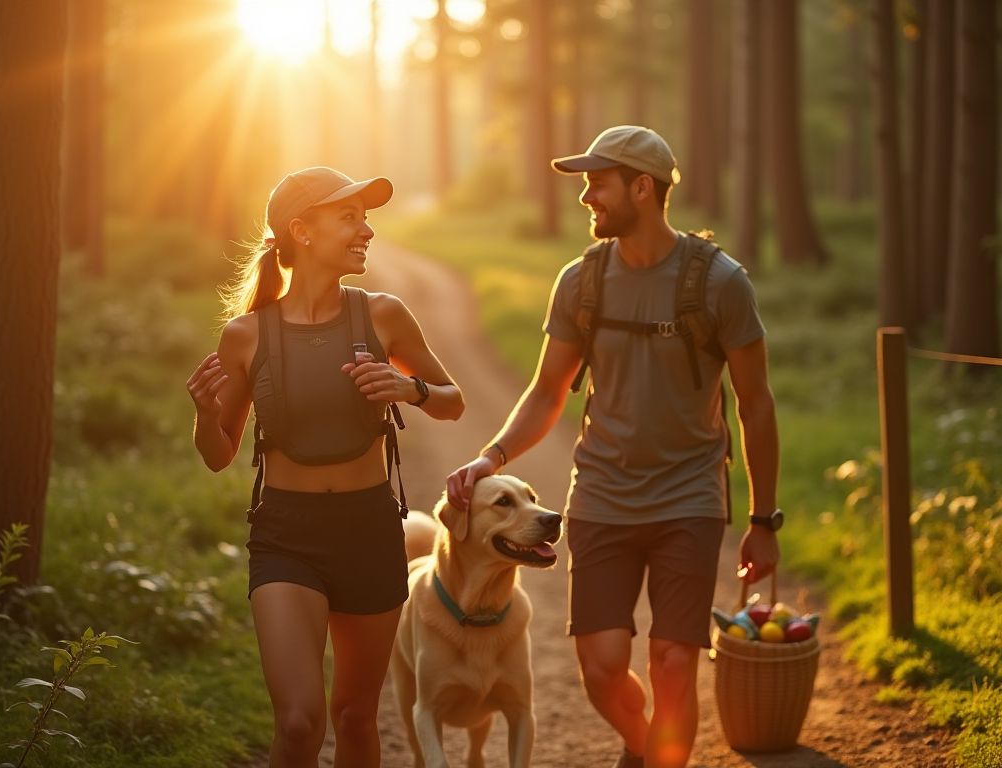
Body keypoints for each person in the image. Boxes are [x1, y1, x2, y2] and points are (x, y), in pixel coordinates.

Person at [446, 125, 780, 768]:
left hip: (690, 495)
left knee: (674, 661)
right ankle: (647, 745)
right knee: (601, 669)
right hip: (601, 494)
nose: (585, 197)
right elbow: (548, 391)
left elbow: (755, 403)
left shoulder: (720, 283)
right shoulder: (582, 281)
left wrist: (764, 520)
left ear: (643, 188)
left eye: (597, 183)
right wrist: (492, 456)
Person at [186, 166, 464, 768]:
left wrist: (406, 387)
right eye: (349, 218)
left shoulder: (384, 316)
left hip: (368, 530)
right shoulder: (245, 336)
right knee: (297, 721)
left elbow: (452, 401)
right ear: (302, 231)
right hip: (288, 534)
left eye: (365, 219)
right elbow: (217, 455)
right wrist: (207, 416)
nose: (365, 231)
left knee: (356, 716)